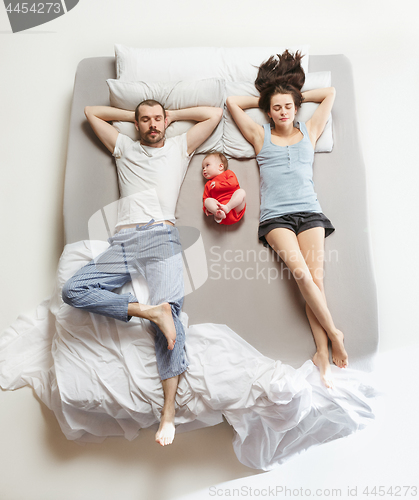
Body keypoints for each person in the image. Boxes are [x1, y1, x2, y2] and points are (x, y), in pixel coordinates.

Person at [62, 99, 223, 445]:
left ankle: (168, 413)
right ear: (136, 125)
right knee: (73, 290)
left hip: (161, 235)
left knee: (173, 317)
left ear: (165, 122)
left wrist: (173, 116)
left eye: (157, 119)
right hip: (122, 241)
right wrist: (131, 117)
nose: (152, 125)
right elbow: (92, 112)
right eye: (145, 120)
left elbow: (215, 113)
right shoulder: (124, 147)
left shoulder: (180, 146)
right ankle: (149, 311)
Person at [226, 50, 347, 389]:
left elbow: (330, 93)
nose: (282, 112)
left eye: (288, 106)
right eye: (276, 107)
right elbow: (232, 103)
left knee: (317, 282)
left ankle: (322, 352)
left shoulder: (310, 129)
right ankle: (335, 332)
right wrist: (267, 96)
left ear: (295, 108)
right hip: (276, 218)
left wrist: (294, 93)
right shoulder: (259, 135)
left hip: (310, 212)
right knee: (303, 278)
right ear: (268, 111)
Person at [202, 152, 246, 224]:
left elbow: (233, 184)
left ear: (221, 166)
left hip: (234, 207)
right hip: (220, 209)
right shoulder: (208, 184)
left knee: (241, 192)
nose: (204, 169)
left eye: (207, 165)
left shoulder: (228, 173)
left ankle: (227, 207)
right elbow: (205, 198)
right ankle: (218, 212)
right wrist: (207, 209)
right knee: (207, 201)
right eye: (203, 168)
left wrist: (218, 185)